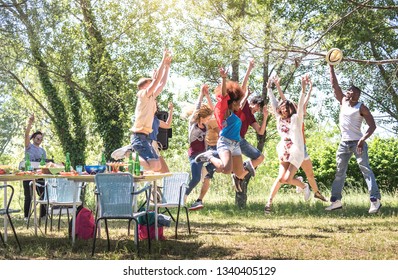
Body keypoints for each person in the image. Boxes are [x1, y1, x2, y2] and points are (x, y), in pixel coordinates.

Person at [326, 64, 381, 213]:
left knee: (366, 170)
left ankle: (375, 200)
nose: (351, 92)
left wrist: (362, 140)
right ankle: (336, 201)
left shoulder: (361, 107)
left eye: (354, 91)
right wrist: (331, 66)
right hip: (343, 143)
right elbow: (334, 85)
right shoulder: (343, 102)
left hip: (358, 143)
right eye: (350, 90)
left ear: (358, 95)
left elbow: (372, 126)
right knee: (339, 172)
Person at [273, 75, 327, 202]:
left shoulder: (299, 117)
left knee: (310, 174)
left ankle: (317, 193)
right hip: (292, 148)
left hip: (302, 148)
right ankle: (301, 184)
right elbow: (284, 100)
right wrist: (278, 86)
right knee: (285, 176)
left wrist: (309, 89)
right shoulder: (290, 118)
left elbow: (303, 102)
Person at [264, 75, 312, 214]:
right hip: (284, 150)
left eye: (287, 108)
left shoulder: (296, 118)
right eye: (283, 108)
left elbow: (302, 104)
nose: (284, 110)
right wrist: (269, 88)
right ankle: (269, 203)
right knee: (281, 179)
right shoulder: (279, 118)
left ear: (291, 109)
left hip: (296, 151)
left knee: (286, 179)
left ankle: (303, 186)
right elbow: (274, 102)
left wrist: (303, 88)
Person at [195, 68, 249, 188]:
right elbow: (225, 95)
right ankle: (209, 155)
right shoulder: (225, 112)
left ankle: (246, 167)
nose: (240, 105)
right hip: (225, 142)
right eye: (238, 103)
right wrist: (224, 78)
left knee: (240, 173)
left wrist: (246, 92)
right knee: (225, 169)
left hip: (235, 144)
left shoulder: (236, 113)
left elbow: (242, 93)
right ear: (232, 103)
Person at [131, 49, 171, 172]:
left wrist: (167, 67)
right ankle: (129, 153)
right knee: (154, 166)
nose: (153, 85)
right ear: (144, 86)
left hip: (146, 137)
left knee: (157, 166)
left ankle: (133, 155)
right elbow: (157, 80)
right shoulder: (143, 94)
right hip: (139, 136)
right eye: (150, 83)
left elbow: (162, 83)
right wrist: (162, 60)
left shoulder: (151, 97)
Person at [233, 59, 268, 190]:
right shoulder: (244, 105)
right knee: (259, 157)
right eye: (257, 106)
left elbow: (260, 131)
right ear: (252, 102)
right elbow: (242, 88)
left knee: (259, 158)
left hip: (238, 141)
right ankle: (242, 170)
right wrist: (249, 69)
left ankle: (239, 176)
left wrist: (264, 117)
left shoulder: (252, 117)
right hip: (235, 138)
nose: (257, 109)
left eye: (259, 108)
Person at [185, 84, 214, 209]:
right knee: (196, 179)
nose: (208, 121)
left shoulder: (206, 126)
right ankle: (183, 196)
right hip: (194, 155)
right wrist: (201, 95)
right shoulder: (193, 123)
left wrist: (207, 95)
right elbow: (197, 106)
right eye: (207, 119)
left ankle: (207, 169)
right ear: (201, 118)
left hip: (204, 153)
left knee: (222, 159)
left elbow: (212, 111)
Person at [189, 115, 219, 210]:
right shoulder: (207, 121)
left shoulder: (216, 120)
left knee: (207, 176)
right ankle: (197, 200)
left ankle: (199, 200)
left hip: (213, 148)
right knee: (203, 177)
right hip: (208, 148)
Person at [23, 113, 46, 221]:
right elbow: (26, 135)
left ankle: (43, 216)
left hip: (39, 174)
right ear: (34, 138)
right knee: (28, 196)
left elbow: (44, 164)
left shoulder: (43, 151)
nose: (39, 139)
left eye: (41, 138)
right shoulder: (29, 146)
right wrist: (30, 123)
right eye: (38, 138)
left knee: (43, 194)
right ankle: (26, 217)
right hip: (28, 173)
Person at [149, 102, 174, 173]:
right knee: (151, 170)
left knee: (166, 172)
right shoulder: (144, 118)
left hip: (154, 146)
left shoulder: (155, 120)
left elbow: (167, 125)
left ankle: (150, 184)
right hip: (147, 145)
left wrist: (171, 110)